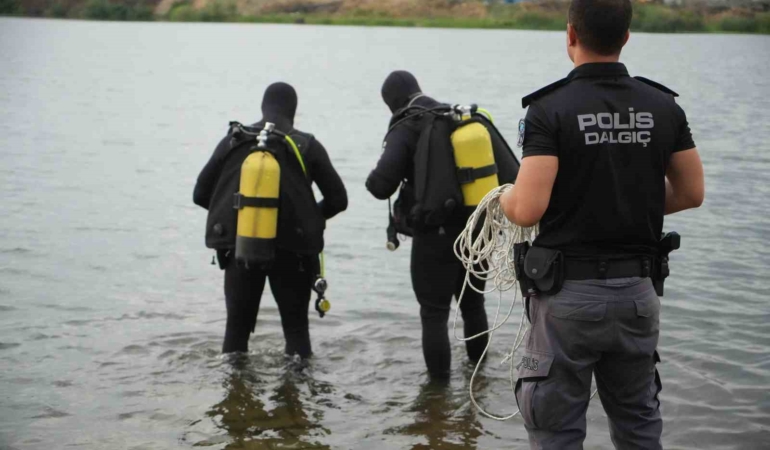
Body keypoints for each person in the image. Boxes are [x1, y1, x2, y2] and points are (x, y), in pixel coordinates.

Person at [500, 0, 705, 448]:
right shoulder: (663, 106)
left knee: (556, 431)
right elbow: (691, 194)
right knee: (638, 426)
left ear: (571, 35)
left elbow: (528, 208)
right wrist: (630, 203)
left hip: (567, 301)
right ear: (626, 37)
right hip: (637, 295)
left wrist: (504, 199)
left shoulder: (548, 109)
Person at [366, 71, 519, 379]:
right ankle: (479, 380)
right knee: (473, 304)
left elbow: (380, 185)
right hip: (477, 228)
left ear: (392, 103)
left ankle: (437, 397)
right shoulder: (457, 116)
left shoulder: (406, 124)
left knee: (434, 314)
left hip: (435, 234)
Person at [193, 82, 348, 357]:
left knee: (236, 335)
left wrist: (241, 219)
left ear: (263, 107)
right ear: (293, 111)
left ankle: (234, 394)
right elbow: (339, 200)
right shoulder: (307, 146)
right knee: (297, 334)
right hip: (294, 254)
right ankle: (297, 396)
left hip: (243, 247)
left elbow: (200, 194)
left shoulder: (234, 139)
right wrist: (309, 218)